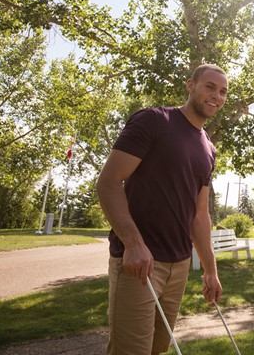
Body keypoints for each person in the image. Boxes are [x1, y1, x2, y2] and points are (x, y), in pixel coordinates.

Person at [97, 64, 227, 355]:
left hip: (178, 266)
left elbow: (200, 214)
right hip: (139, 264)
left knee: (158, 349)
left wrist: (210, 270)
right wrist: (133, 242)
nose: (216, 96)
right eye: (209, 86)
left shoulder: (208, 148)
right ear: (190, 85)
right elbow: (108, 183)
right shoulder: (154, 121)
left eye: (223, 92)